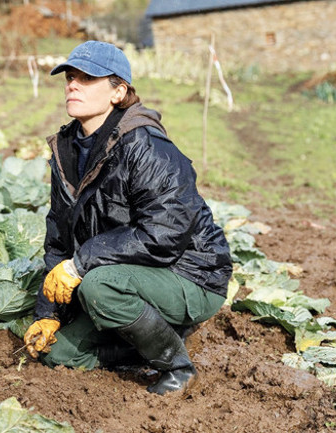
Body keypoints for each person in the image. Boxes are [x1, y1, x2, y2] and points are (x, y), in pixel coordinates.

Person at [23, 40, 233, 395]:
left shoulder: (146, 146)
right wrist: (48, 314)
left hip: (190, 273)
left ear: (118, 91)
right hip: (125, 271)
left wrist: (81, 264)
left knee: (99, 286)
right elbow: (58, 239)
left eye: (87, 79)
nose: (72, 85)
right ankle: (153, 337)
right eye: (70, 77)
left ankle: (176, 366)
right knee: (55, 353)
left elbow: (163, 235)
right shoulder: (67, 151)